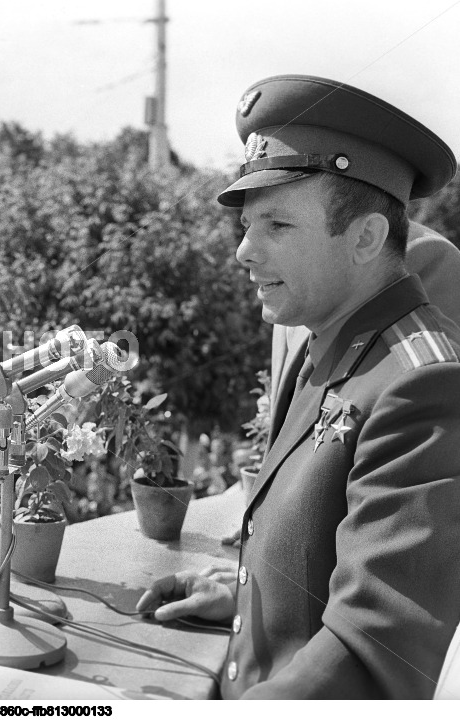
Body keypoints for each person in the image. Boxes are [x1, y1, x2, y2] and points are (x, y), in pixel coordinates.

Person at [136, 74, 460, 698]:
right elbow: (336, 556)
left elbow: (373, 656)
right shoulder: (329, 344)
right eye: (247, 225)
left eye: (277, 226)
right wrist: (249, 598)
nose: (244, 253)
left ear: (366, 236)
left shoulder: (424, 385)